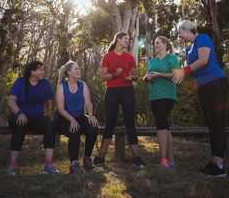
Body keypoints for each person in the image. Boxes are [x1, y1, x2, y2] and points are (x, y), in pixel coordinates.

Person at [173, 20, 228, 178]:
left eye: (180, 33)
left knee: (217, 122)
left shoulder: (202, 38)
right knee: (211, 123)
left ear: (186, 29)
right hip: (202, 86)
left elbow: (203, 61)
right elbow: (192, 70)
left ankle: (219, 166)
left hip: (215, 82)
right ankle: (214, 162)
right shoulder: (189, 48)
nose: (179, 36)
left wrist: (184, 70)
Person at [93, 32, 145, 168]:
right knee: (110, 123)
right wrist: (114, 74)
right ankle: (101, 157)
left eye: (129, 39)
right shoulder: (107, 56)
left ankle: (136, 158)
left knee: (130, 123)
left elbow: (136, 76)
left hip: (127, 91)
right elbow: (103, 77)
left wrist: (131, 78)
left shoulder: (129, 57)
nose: (127, 41)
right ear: (118, 39)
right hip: (112, 91)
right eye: (125, 39)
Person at [6, 60, 59, 176]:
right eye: (40, 70)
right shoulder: (20, 81)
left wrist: (48, 118)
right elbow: (11, 101)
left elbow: (50, 103)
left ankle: (48, 165)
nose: (43, 72)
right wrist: (20, 113)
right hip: (18, 115)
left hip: (36, 117)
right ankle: (12, 166)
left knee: (50, 124)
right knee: (21, 123)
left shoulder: (45, 83)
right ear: (32, 72)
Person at [54, 61, 98, 173]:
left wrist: (91, 116)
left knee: (93, 126)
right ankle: (74, 164)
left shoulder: (83, 85)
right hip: (63, 117)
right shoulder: (61, 87)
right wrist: (72, 120)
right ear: (69, 72)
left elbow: (88, 103)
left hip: (79, 115)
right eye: (76, 69)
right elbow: (60, 109)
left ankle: (87, 158)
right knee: (75, 129)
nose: (79, 71)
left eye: (78, 69)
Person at [143, 36, 180, 170]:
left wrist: (159, 75)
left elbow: (176, 74)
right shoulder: (152, 61)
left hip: (167, 95)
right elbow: (146, 76)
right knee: (165, 126)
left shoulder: (171, 58)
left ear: (165, 45)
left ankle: (163, 161)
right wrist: (147, 78)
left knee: (160, 124)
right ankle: (171, 161)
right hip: (154, 96)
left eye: (157, 43)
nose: (155, 45)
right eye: (155, 43)